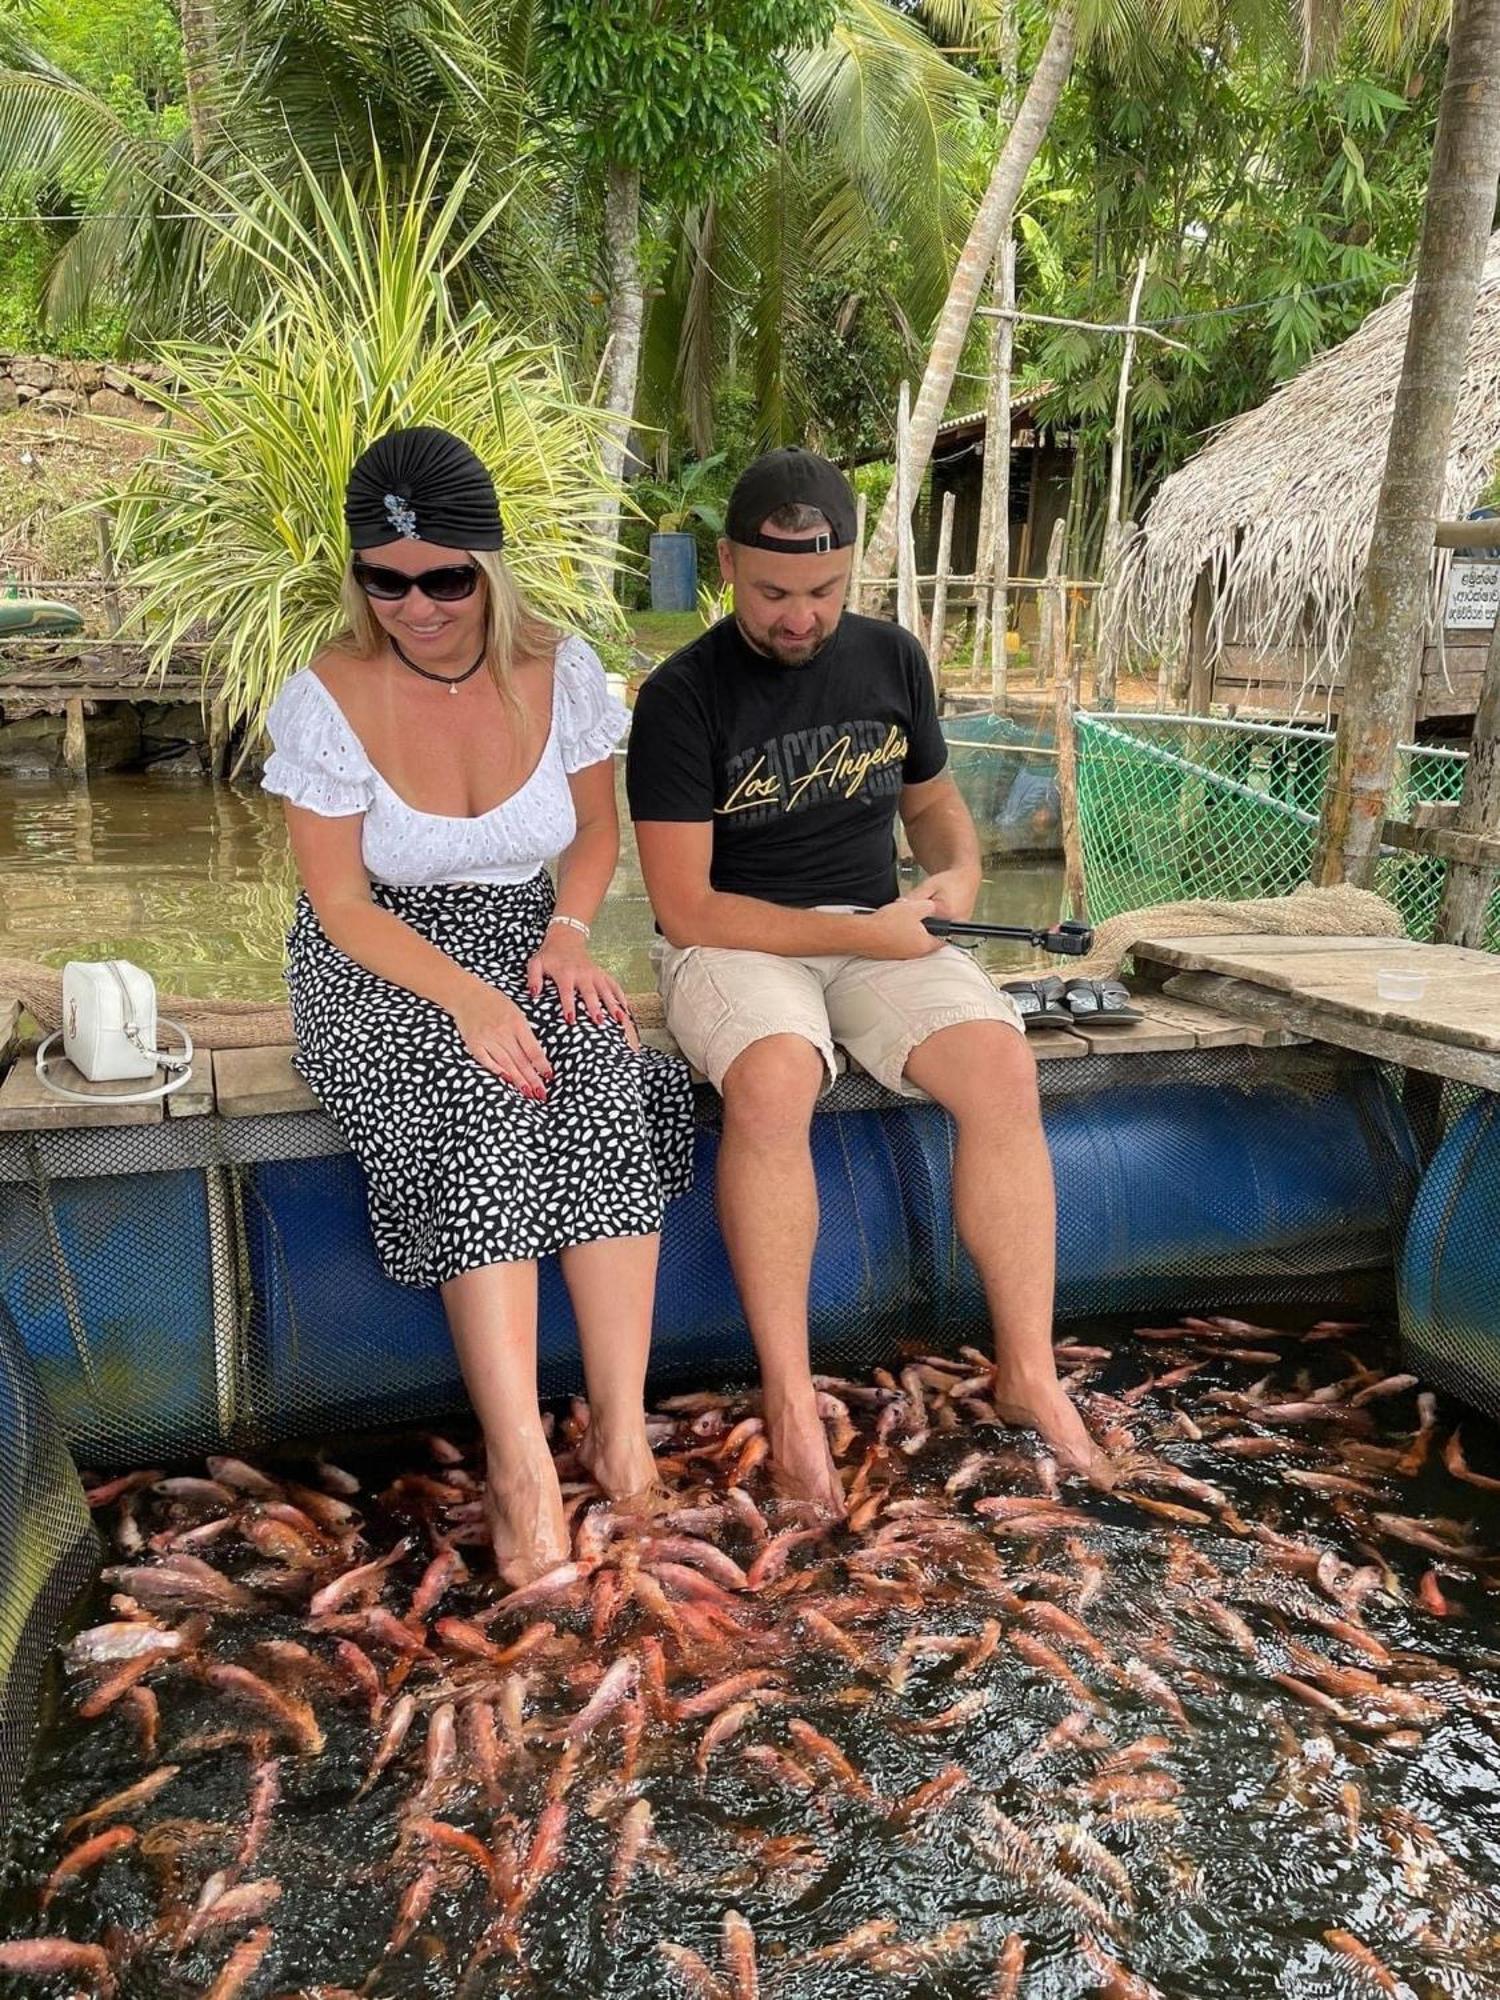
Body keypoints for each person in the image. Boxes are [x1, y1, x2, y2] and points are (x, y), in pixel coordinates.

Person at [626, 445, 1111, 1513]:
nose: (799, 616)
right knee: (776, 1078)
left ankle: (1027, 1368)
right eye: (772, 593)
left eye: (823, 591)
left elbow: (934, 805)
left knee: (997, 1062)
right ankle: (793, 1399)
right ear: (727, 564)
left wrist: (957, 874)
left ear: (854, 567)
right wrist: (870, 938)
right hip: (735, 939)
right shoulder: (679, 696)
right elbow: (684, 906)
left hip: (877, 929)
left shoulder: (892, 658)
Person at [263, 424, 694, 1584]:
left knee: (609, 1071)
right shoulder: (325, 697)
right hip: (380, 958)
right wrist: (463, 996)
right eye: (385, 580)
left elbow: (599, 833)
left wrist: (563, 936)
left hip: (530, 932)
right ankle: (518, 1461)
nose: (416, 605)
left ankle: (617, 1426)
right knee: (482, 1092)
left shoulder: (563, 670)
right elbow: (343, 902)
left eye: (444, 577)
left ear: (489, 566)